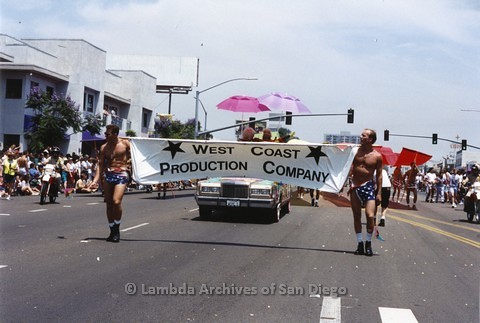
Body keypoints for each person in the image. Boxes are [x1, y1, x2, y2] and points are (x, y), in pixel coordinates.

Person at [89, 124, 131, 243]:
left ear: (115, 134)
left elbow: (137, 156)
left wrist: (130, 163)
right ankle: (112, 230)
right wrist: (95, 180)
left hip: (122, 174)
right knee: (109, 204)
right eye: (105, 133)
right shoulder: (104, 147)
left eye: (108, 134)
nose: (105, 136)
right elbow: (101, 164)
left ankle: (117, 229)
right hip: (108, 175)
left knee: (116, 201)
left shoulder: (125, 144)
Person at [349, 129, 383, 257]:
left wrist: (379, 192)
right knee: (356, 216)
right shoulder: (354, 151)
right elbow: (343, 164)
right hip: (355, 187)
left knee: (370, 215)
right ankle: (360, 244)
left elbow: (379, 176)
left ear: (370, 139)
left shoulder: (377, 156)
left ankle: (368, 243)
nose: (360, 137)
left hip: (368, 187)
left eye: (363, 135)